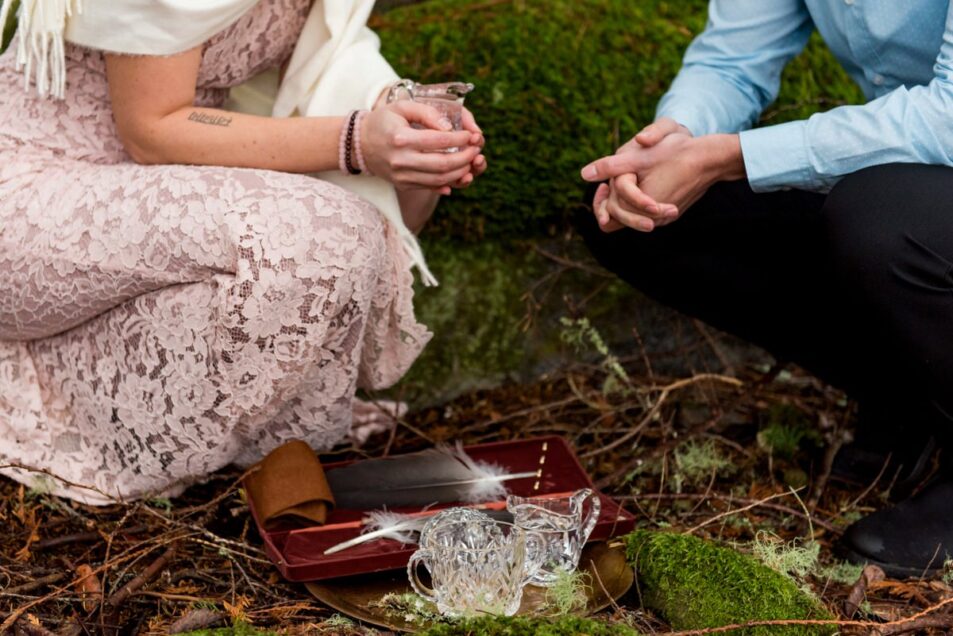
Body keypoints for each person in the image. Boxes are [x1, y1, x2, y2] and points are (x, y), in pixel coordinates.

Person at [0, 0, 486, 504]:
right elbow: (150, 128)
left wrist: (406, 120)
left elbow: (325, 59)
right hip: (34, 194)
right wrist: (356, 140)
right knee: (321, 234)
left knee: (334, 236)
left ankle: (239, 462)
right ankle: (78, 423)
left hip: (154, 207)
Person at [577, 0, 953, 578]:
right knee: (642, 217)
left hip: (925, 176)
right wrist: (673, 140)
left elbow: (948, 119)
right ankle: (915, 402)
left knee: (877, 221)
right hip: (908, 181)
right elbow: (732, 61)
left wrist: (731, 157)